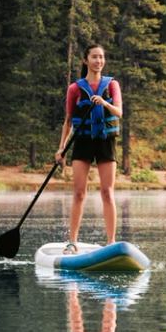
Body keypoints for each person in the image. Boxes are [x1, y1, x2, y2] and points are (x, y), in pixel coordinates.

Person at [54, 45, 122, 252]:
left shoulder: (112, 85)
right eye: (94, 57)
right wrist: (61, 149)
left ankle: (111, 242)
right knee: (79, 193)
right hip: (82, 142)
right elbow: (68, 121)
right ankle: (72, 241)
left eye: (101, 57)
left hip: (105, 141)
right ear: (86, 60)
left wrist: (104, 103)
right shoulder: (75, 89)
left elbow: (119, 112)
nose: (98, 61)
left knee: (107, 192)